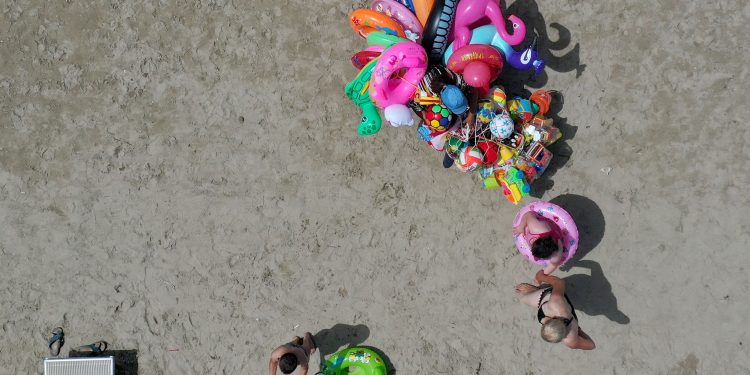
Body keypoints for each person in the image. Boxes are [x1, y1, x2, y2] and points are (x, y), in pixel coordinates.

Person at [515, 270, 595, 350]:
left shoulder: (571, 341)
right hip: (552, 301)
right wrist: (541, 277)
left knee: (523, 299)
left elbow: (592, 346)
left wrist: (578, 330)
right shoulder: (571, 340)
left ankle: (535, 291)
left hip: (546, 301)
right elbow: (559, 283)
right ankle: (536, 291)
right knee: (523, 299)